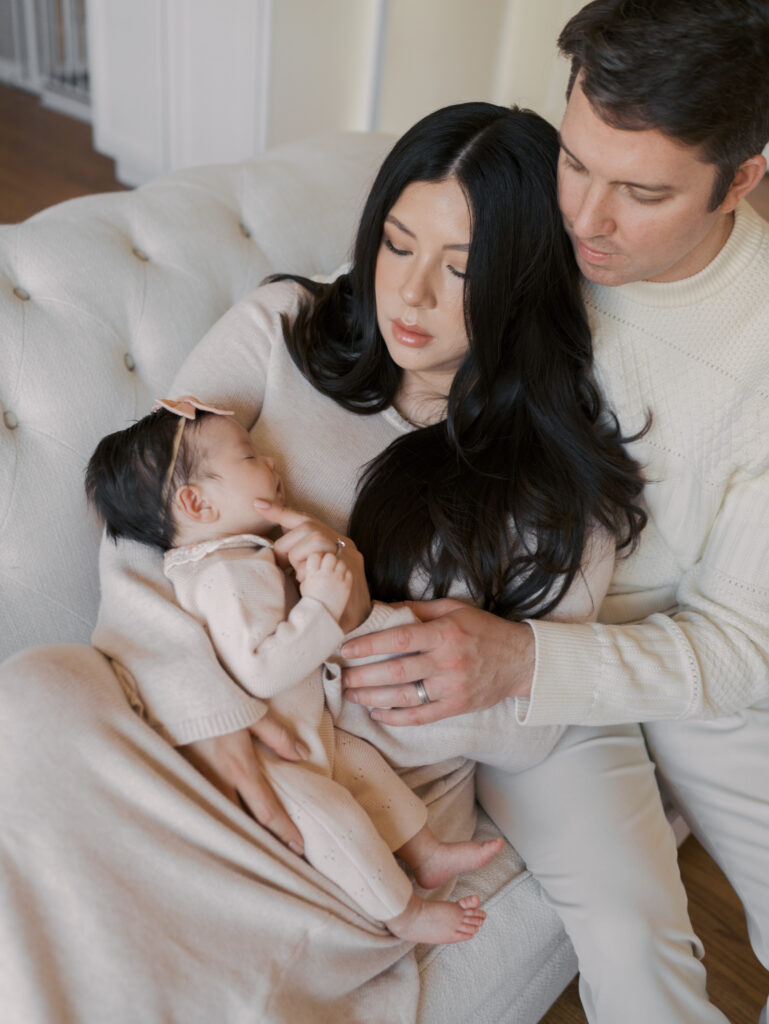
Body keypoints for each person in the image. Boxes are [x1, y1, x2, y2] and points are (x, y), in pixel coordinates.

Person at [0, 103, 724, 1022]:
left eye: (459, 269)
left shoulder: (554, 476)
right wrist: (208, 713)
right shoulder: (282, 326)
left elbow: (527, 724)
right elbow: (150, 520)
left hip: (336, 789)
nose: (409, 296)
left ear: (519, 283)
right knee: (37, 690)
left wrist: (385, 642)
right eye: (395, 244)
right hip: (167, 714)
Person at [340, 1, 769, 1020]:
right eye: (576, 161)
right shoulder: (530, 207)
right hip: (526, 652)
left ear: (742, 177)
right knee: (634, 940)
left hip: (676, 652)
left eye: (643, 192)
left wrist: (524, 660)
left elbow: (740, 646)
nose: (584, 219)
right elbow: (399, 281)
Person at [84, 394, 500, 943]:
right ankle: (404, 913)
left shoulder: (238, 560)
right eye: (249, 456)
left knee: (364, 766)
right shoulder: (223, 576)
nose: (271, 461)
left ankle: (425, 854)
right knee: (336, 820)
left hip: (306, 734)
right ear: (197, 502)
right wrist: (322, 603)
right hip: (272, 764)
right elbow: (260, 671)